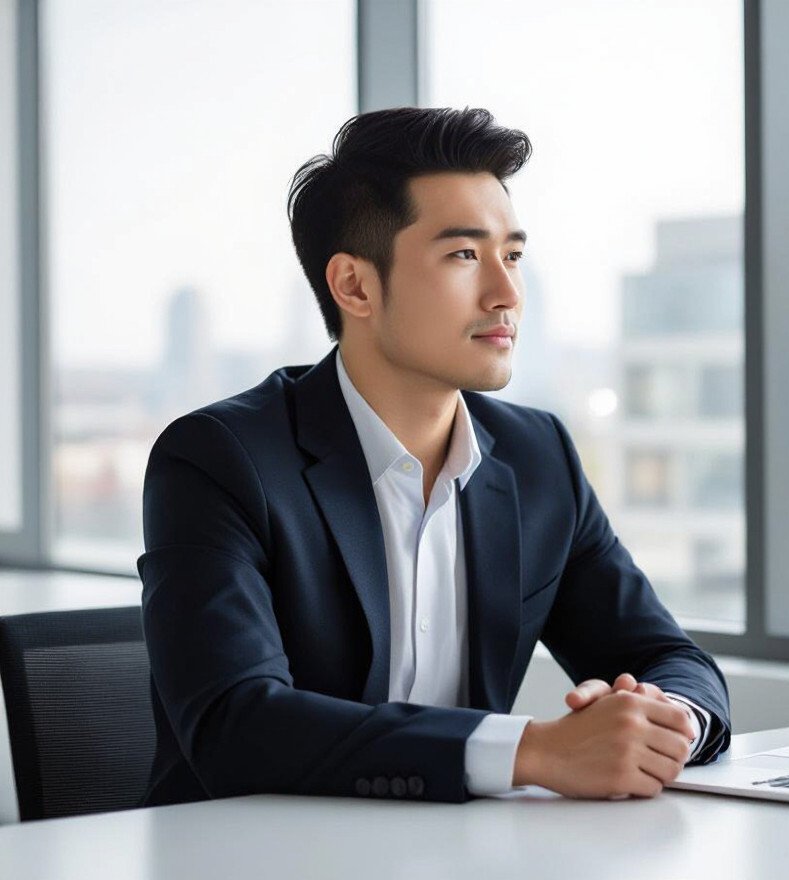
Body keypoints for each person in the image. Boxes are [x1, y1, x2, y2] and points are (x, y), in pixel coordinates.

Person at [138, 107, 731, 805]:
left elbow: (671, 659)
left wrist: (664, 726)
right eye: (463, 255)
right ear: (355, 285)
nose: (507, 294)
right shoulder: (220, 460)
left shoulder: (537, 455)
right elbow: (237, 725)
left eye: (511, 255)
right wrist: (531, 751)